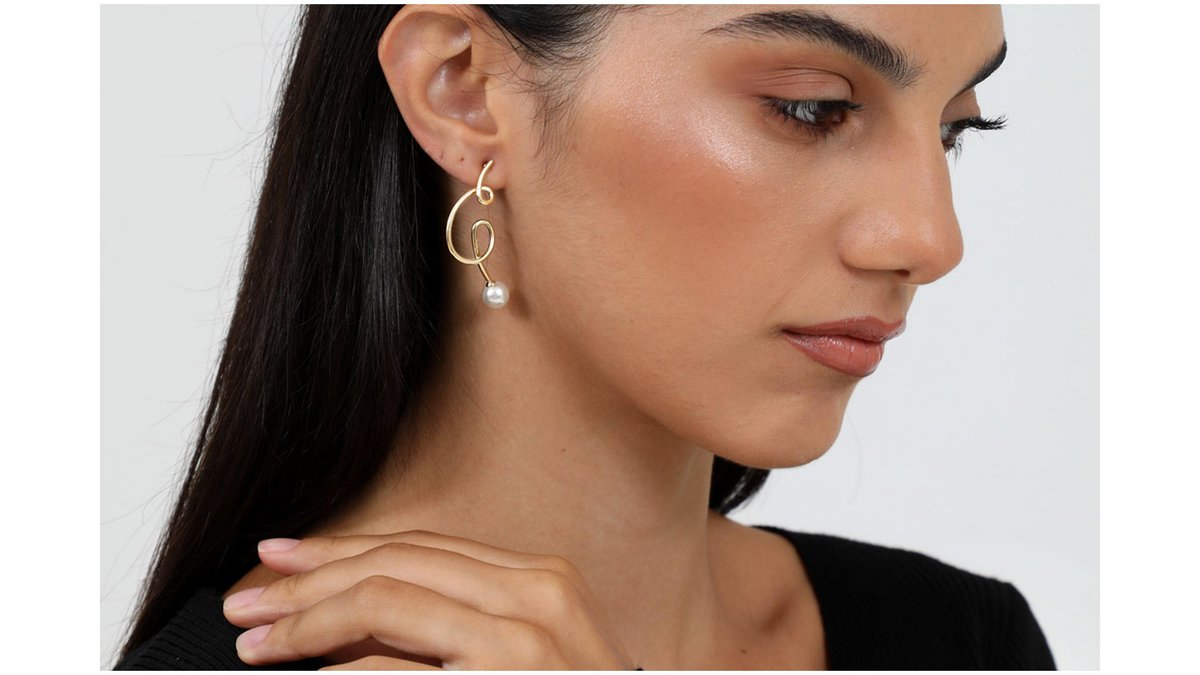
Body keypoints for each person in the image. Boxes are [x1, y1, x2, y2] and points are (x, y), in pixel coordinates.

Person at [113, 4, 1055, 670]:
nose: (931, 240)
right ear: (463, 90)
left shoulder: (965, 643)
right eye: (812, 107)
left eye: (953, 130)